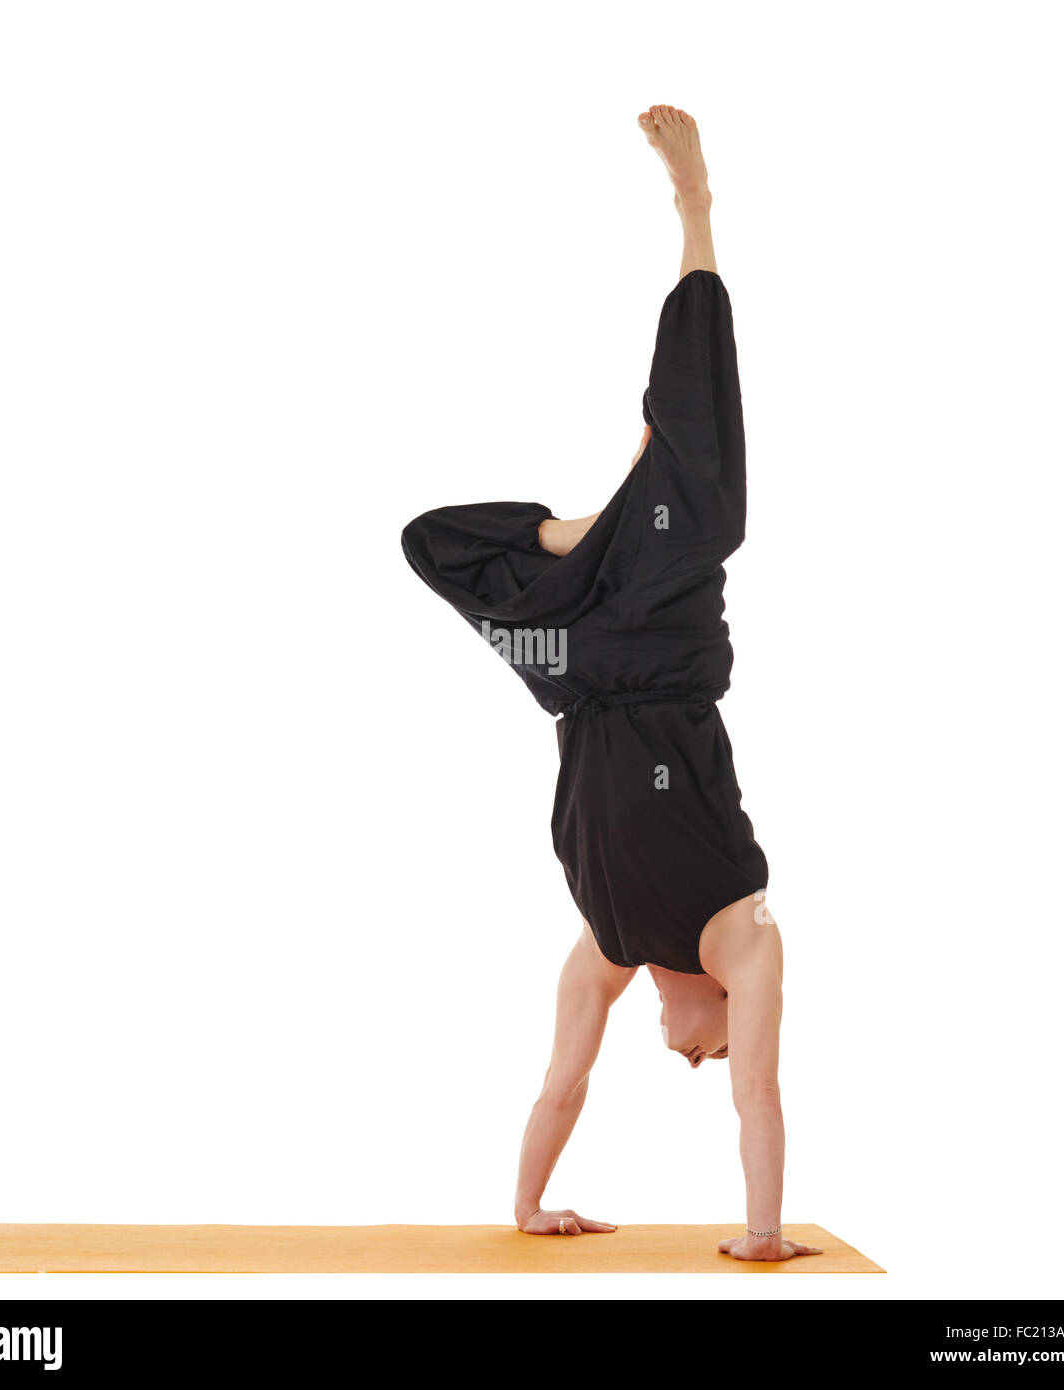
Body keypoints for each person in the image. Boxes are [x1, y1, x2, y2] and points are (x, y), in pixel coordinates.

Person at [401, 105, 820, 1262]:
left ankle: (598, 527)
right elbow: (764, 1099)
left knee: (431, 544)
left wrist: (530, 1209)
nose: (694, 1052)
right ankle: (695, 213)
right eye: (713, 1048)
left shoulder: (606, 946)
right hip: (667, 634)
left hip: (572, 668)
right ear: (727, 1010)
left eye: (696, 1051)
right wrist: (763, 1234)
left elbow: (558, 1086)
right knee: (707, 488)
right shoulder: (746, 938)